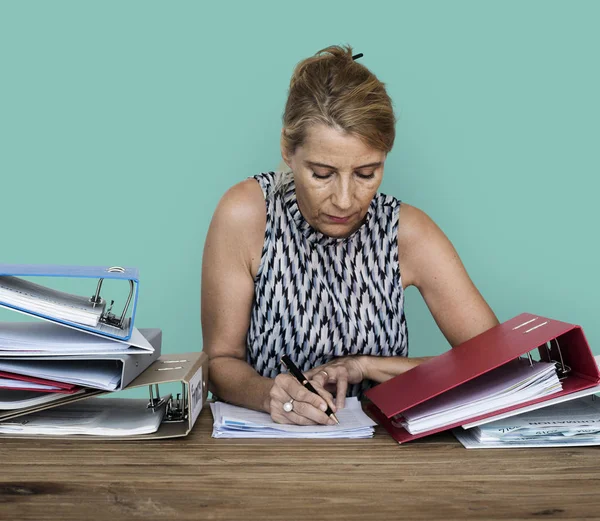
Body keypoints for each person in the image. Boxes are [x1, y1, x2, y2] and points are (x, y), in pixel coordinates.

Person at [202, 45, 498, 426]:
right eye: (322, 174)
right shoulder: (245, 215)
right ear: (288, 151)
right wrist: (270, 395)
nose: (344, 200)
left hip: (384, 460)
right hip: (269, 455)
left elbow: (497, 364)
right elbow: (220, 361)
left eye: (366, 173)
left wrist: (367, 367)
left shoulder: (408, 232)